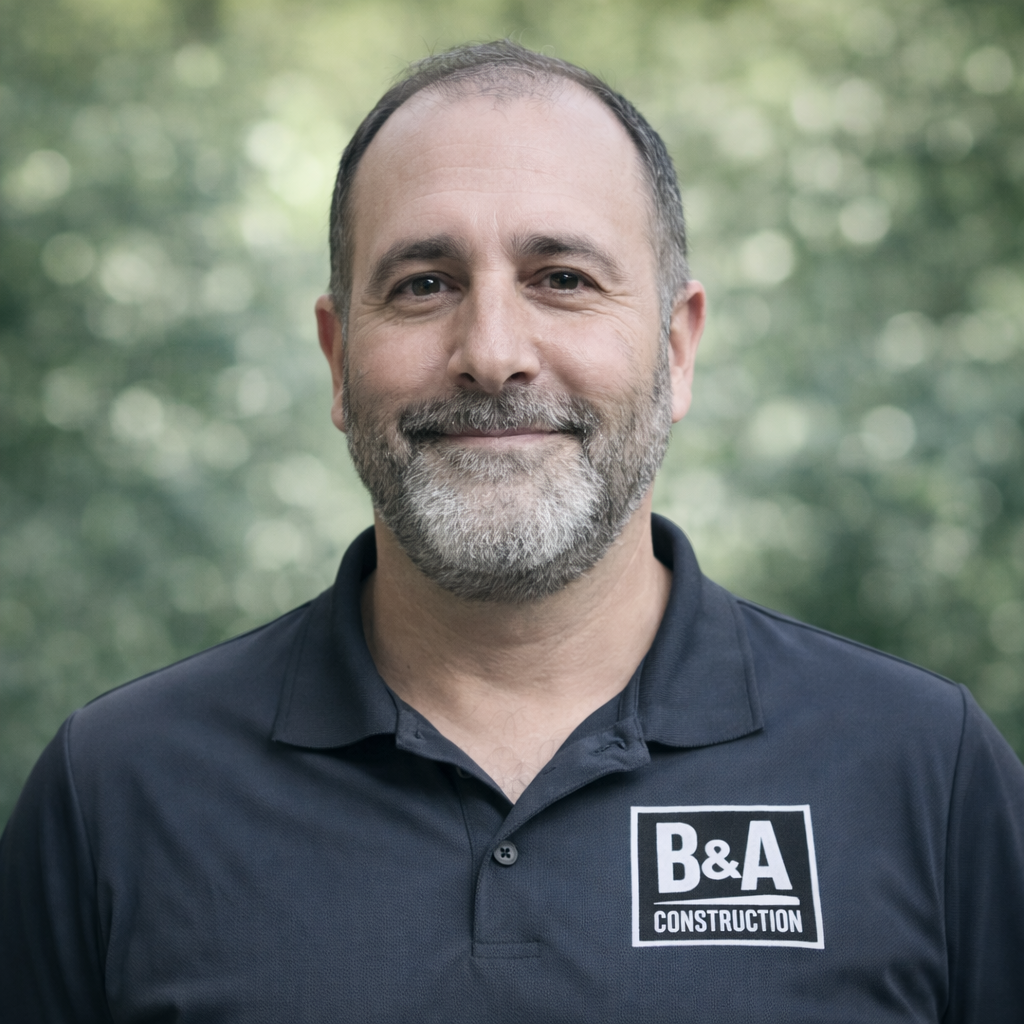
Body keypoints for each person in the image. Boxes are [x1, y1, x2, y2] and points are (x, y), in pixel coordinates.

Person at [2, 39, 1023, 1023]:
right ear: (337, 358)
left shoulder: (925, 772)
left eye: (562, 278)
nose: (491, 353)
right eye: (424, 285)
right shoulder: (116, 791)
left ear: (676, 348)